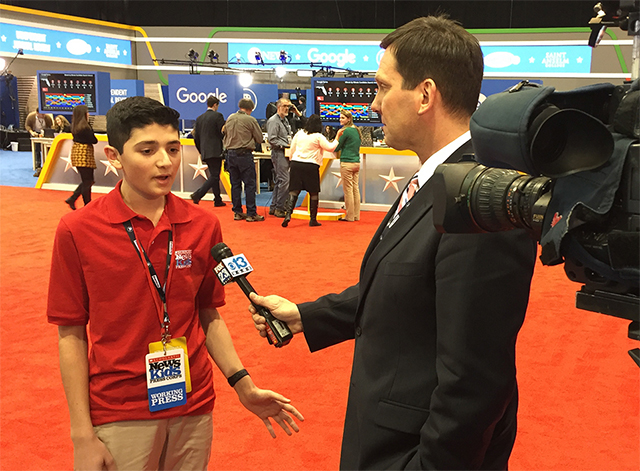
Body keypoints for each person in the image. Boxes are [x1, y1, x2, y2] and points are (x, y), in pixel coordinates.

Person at [250, 16, 537, 470]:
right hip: (386, 435)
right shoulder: (433, 179)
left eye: (383, 87)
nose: (375, 101)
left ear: (425, 95)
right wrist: (308, 315)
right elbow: (405, 286)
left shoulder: (481, 202)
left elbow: (476, 381)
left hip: (412, 453)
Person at [47, 96, 303, 471]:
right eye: (147, 150)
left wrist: (243, 384)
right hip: (119, 410)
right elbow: (70, 333)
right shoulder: (78, 230)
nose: (165, 162)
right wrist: (81, 433)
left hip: (193, 403)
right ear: (114, 156)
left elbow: (208, 314)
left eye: (172, 148)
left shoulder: (203, 226)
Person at [281, 114, 338, 228]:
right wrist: (337, 138)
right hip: (311, 166)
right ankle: (313, 219)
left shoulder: (300, 133)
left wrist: (293, 161)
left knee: (294, 191)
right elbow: (330, 148)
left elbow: (292, 148)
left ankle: (288, 215)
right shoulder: (318, 136)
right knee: (313, 192)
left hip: (296, 164)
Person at [222, 98, 265, 222]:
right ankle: (251, 213)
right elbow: (259, 138)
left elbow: (224, 133)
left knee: (235, 185)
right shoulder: (250, 119)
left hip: (230, 154)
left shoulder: (230, 118)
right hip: (244, 155)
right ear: (250, 109)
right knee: (249, 184)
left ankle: (237, 212)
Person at [190, 95, 226, 207]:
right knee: (215, 175)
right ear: (215, 105)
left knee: (214, 175)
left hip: (205, 151)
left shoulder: (199, 118)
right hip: (216, 151)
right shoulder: (218, 116)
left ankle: (217, 199)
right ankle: (198, 194)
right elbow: (222, 133)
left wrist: (201, 150)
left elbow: (196, 137)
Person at [64, 105, 97, 211]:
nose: (89, 114)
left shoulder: (74, 126)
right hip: (85, 154)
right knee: (88, 181)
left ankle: (73, 198)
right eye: (87, 112)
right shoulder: (85, 127)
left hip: (77, 153)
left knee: (86, 180)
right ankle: (87, 205)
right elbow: (94, 140)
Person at [266, 97, 293, 217]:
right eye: (285, 106)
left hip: (285, 153)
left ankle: (274, 206)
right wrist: (285, 145)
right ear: (278, 107)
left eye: (288, 106)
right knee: (285, 180)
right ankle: (280, 207)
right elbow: (272, 139)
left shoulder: (285, 120)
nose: (287, 108)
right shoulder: (273, 121)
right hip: (279, 153)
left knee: (280, 181)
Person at [334, 109, 362, 222]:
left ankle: (349, 216)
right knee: (355, 189)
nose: (340, 120)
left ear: (348, 119)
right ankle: (356, 215)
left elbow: (336, 147)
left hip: (347, 163)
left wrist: (337, 135)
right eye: (340, 118)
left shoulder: (344, 131)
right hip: (356, 162)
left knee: (348, 190)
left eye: (343, 118)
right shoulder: (356, 130)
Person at [25, 110, 53, 176]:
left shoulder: (47, 118)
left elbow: (51, 126)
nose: (43, 116)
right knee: (36, 149)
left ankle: (47, 163)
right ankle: (37, 164)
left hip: (45, 132)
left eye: (44, 114)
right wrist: (31, 132)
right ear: (37, 113)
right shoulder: (31, 116)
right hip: (35, 132)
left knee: (47, 148)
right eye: (42, 114)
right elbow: (27, 126)